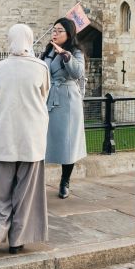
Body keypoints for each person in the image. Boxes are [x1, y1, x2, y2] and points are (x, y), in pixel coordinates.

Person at [0, 23, 51, 253]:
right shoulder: (40, 67)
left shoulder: (0, 67)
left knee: (2, 188)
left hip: (5, 134)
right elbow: (44, 95)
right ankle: (17, 238)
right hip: (31, 134)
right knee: (26, 191)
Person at [40, 17, 87, 199]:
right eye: (54, 29)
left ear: (69, 34)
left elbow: (77, 72)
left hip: (68, 99)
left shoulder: (75, 52)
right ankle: (36, 181)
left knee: (68, 141)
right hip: (48, 96)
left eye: (60, 30)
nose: (55, 33)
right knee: (42, 138)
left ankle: (64, 182)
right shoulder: (47, 51)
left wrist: (64, 54)